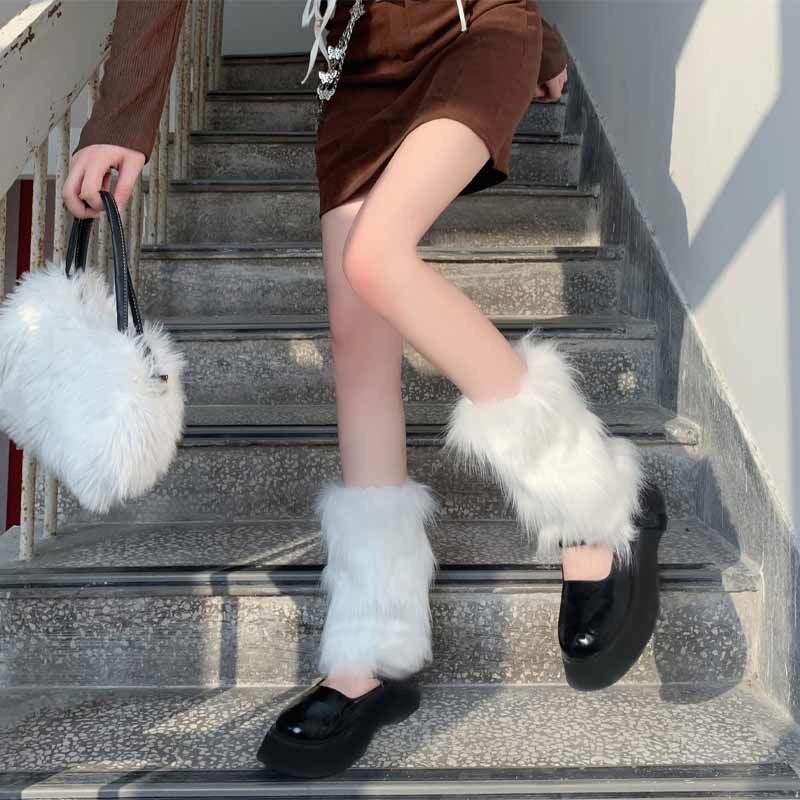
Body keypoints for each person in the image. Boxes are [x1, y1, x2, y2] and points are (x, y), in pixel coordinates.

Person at [65, 0, 667, 779]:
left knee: (376, 259)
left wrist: (541, 42)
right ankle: (375, 649)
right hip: (359, 70)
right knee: (357, 343)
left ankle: (598, 505)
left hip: (473, 29)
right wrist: (121, 119)